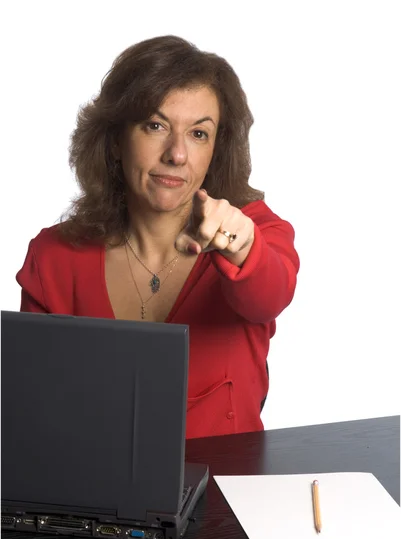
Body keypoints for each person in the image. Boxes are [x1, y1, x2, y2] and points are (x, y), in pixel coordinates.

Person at [16, 35, 300, 439]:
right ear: (115, 140)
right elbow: (35, 408)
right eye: (155, 125)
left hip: (226, 492)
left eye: (199, 134)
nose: (177, 154)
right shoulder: (53, 257)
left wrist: (242, 245)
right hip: (94, 494)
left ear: (217, 150)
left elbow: (270, 294)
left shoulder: (255, 232)